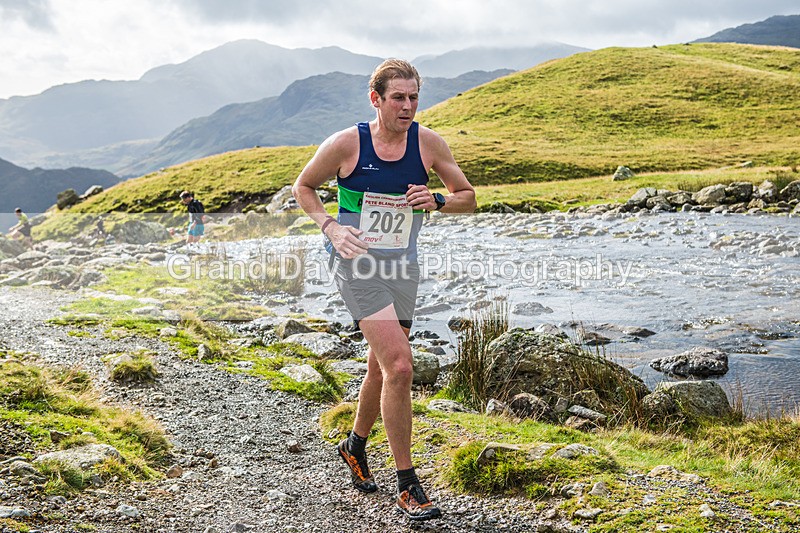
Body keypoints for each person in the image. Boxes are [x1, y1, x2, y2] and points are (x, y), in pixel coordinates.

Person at [292, 58, 476, 521]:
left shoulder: (428, 143)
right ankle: (408, 483)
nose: (408, 106)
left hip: (402, 266)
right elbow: (304, 187)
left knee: (379, 367)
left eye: (414, 97)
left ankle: (353, 445)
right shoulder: (346, 144)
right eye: (399, 97)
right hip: (356, 266)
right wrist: (331, 228)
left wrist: (437, 200)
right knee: (399, 365)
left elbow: (468, 199)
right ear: (376, 99)